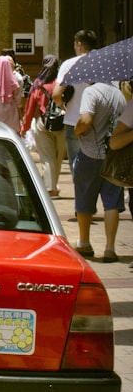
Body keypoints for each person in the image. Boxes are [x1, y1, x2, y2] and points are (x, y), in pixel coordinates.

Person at [71, 81, 126, 262]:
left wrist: (77, 131)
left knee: (84, 199)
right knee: (112, 203)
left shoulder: (91, 92)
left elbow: (86, 120)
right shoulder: (119, 95)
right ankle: (110, 248)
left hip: (90, 154)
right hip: (113, 155)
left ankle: (85, 243)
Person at [21, 55, 67, 197]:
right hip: (63, 123)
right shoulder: (63, 82)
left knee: (47, 157)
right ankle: (53, 185)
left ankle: (50, 188)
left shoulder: (38, 84)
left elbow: (30, 108)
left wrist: (25, 127)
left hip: (44, 123)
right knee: (58, 157)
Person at [54, 29, 98, 167]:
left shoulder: (69, 64)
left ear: (79, 44)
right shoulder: (103, 63)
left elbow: (56, 94)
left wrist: (61, 104)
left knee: (76, 165)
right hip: (98, 122)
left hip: (74, 120)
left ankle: (80, 188)